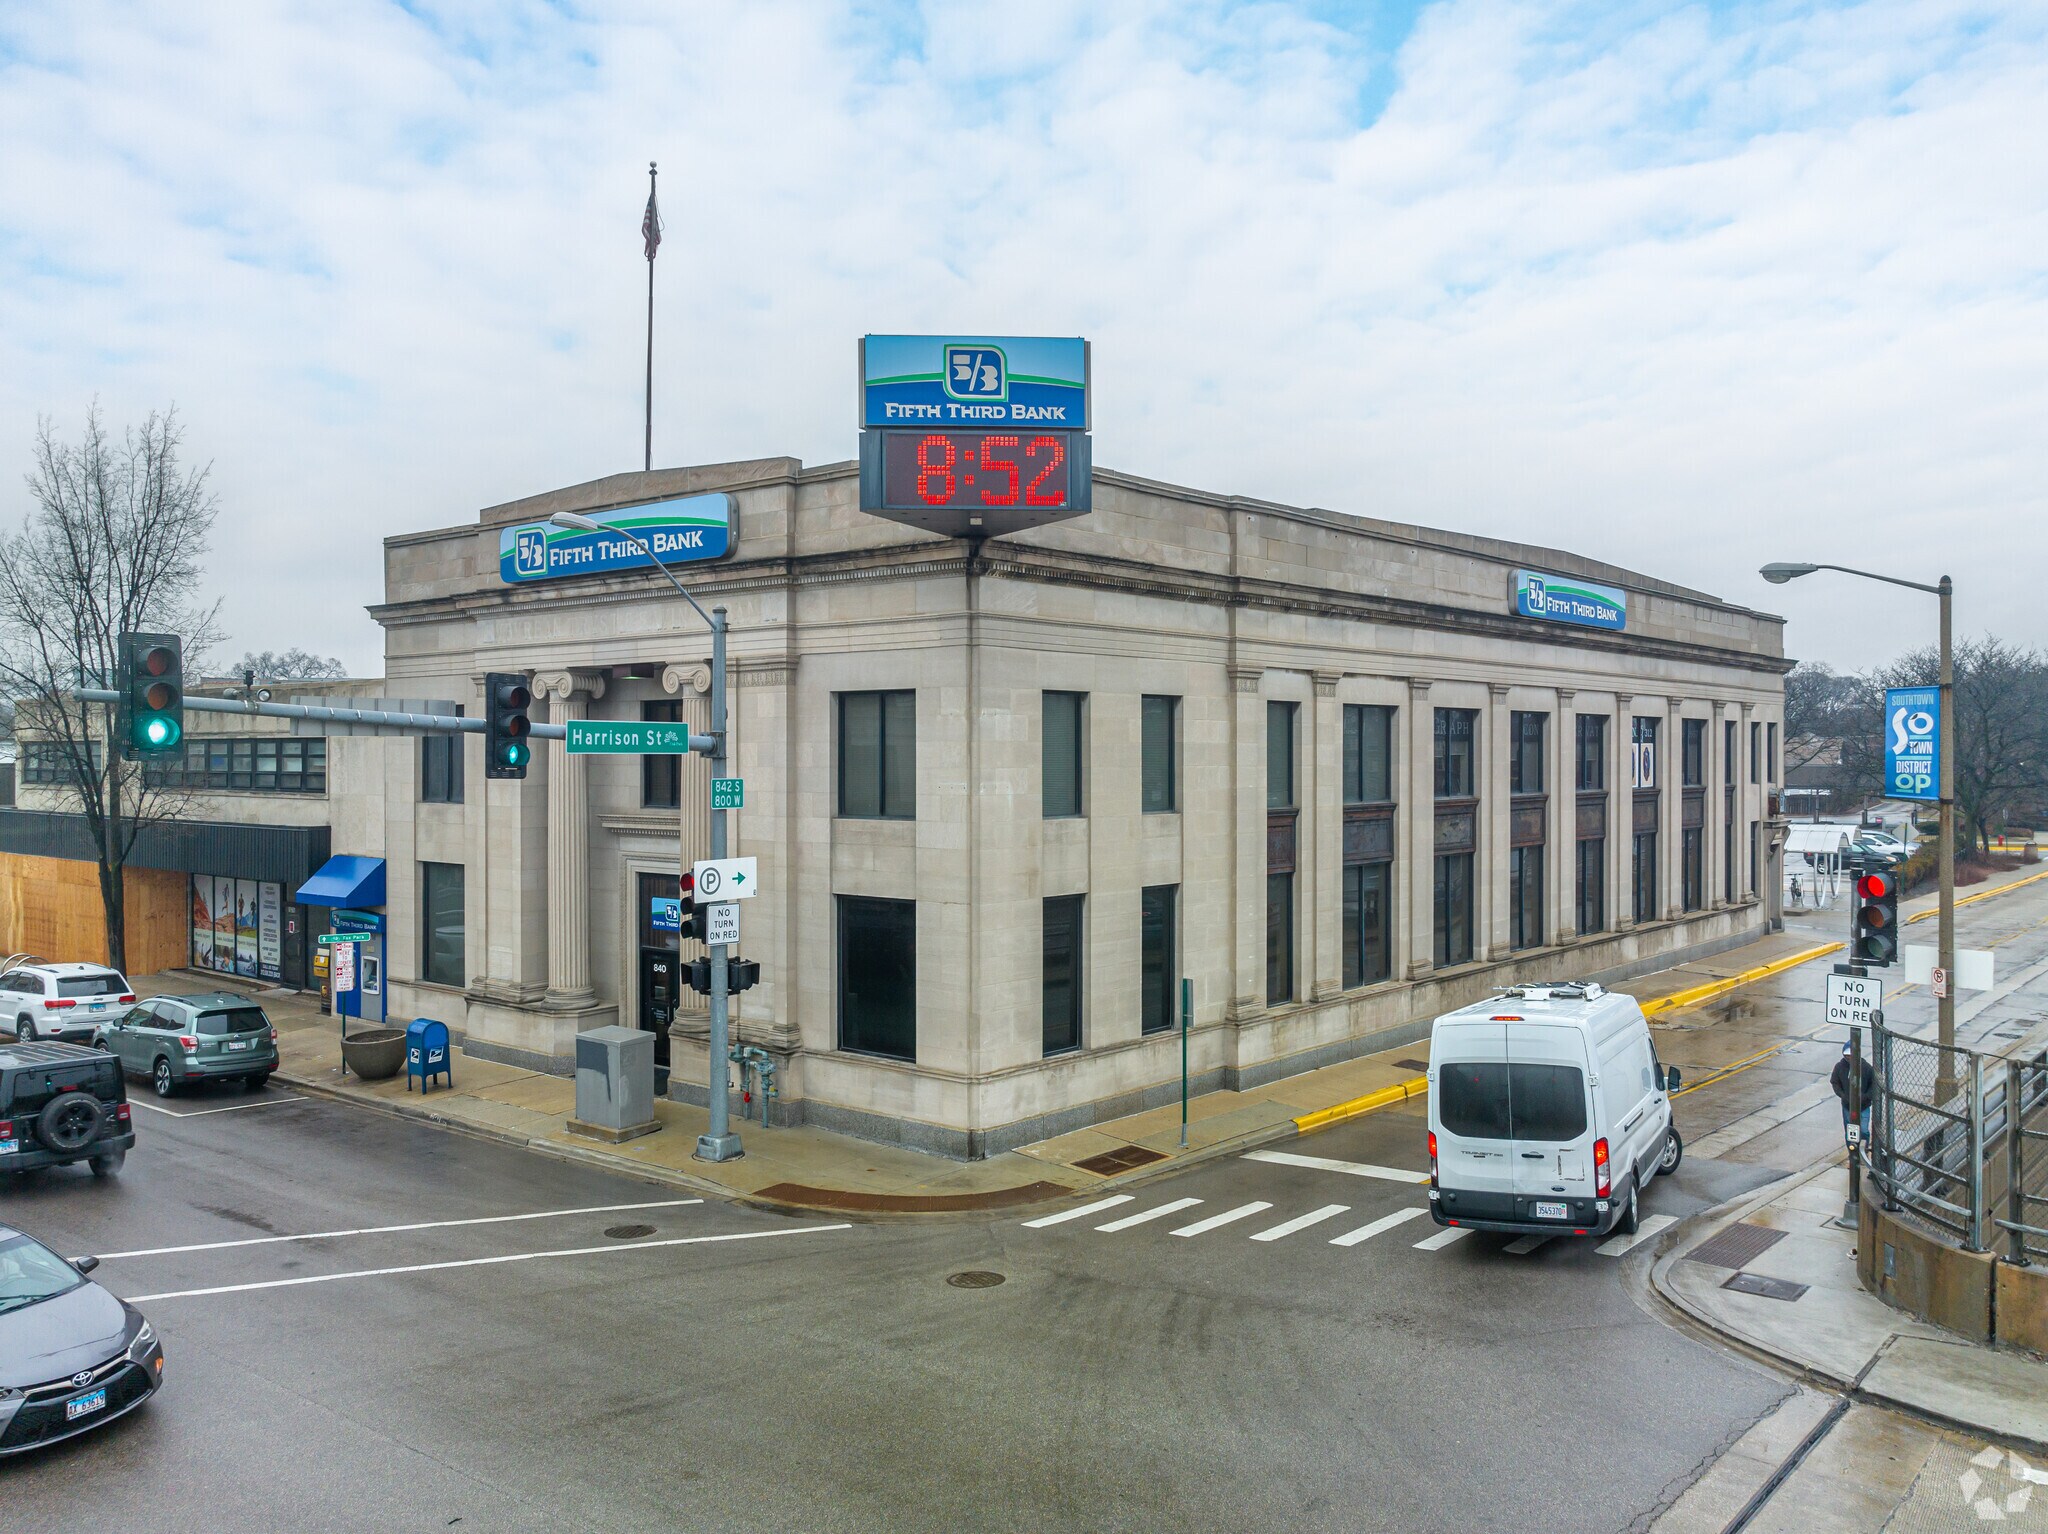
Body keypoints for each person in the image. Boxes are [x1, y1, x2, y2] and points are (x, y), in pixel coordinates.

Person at [1832, 1040, 1876, 1146]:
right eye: (1846, 1055)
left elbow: (1873, 1085)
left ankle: (1863, 1151)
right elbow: (1835, 1082)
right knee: (1850, 1132)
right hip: (1848, 1106)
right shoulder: (1840, 1067)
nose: (1848, 1058)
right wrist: (1843, 1095)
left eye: (1851, 1055)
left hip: (1863, 1106)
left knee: (1864, 1130)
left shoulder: (1866, 1067)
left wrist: (1865, 1097)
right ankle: (1852, 1152)